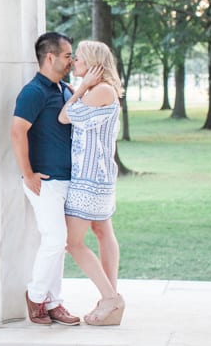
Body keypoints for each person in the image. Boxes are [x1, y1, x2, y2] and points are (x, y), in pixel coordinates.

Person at [10, 32, 80, 326]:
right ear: (49, 57)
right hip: (44, 181)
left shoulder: (64, 89)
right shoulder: (33, 91)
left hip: (66, 180)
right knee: (55, 240)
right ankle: (36, 297)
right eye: (68, 56)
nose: (72, 61)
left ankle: (54, 302)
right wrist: (28, 174)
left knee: (59, 244)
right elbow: (17, 131)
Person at [58, 40, 125, 326]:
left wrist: (82, 87)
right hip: (99, 175)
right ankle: (109, 300)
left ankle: (110, 298)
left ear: (95, 65)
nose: (74, 63)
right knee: (101, 231)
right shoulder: (101, 91)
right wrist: (81, 89)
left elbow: (64, 116)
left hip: (89, 178)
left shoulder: (100, 90)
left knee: (71, 242)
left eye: (79, 59)